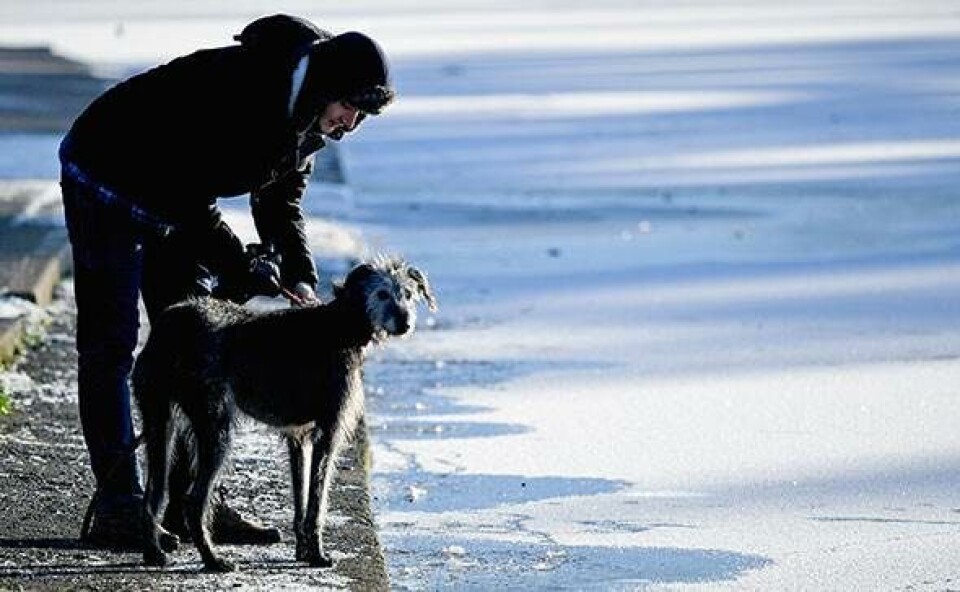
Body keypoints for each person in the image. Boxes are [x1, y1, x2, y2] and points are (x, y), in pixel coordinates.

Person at [58, 14, 395, 548]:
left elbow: (281, 201)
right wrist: (240, 266)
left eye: (362, 115)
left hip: (173, 200)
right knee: (111, 342)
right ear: (324, 88)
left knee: (197, 346)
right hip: (108, 176)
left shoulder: (309, 117)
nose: (351, 123)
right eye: (349, 107)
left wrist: (300, 276)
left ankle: (197, 502)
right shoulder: (249, 88)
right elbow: (189, 194)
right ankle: (120, 507)